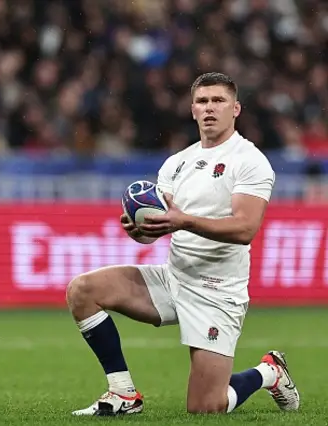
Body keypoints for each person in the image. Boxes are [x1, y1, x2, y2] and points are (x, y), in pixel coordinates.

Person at [67, 72, 300, 416]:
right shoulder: (177, 164)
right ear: (192, 110)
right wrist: (142, 231)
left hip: (217, 290)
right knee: (83, 290)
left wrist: (185, 221)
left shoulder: (249, 161)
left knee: (206, 407)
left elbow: (245, 228)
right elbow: (163, 226)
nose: (210, 108)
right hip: (174, 277)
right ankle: (123, 395)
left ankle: (268, 372)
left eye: (218, 101)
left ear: (235, 109)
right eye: (203, 101)